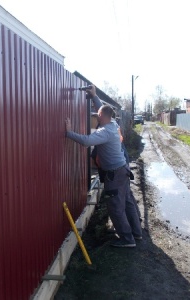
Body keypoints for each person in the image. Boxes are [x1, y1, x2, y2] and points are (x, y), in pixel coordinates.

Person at [65, 85, 142, 247]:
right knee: (127, 201)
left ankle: (127, 240)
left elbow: (86, 141)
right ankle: (136, 233)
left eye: (97, 114)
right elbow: (102, 109)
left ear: (101, 116)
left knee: (115, 207)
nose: (96, 115)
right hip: (123, 171)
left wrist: (69, 132)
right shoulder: (113, 123)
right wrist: (94, 96)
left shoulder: (105, 132)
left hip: (114, 174)